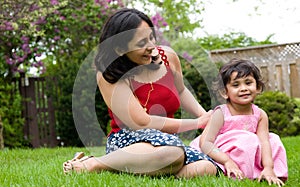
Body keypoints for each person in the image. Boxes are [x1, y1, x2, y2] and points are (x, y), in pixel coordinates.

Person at [63, 8, 220, 178]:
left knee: (207, 168)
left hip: (167, 140)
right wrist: (197, 123)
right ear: (119, 49)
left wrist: (206, 117)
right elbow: (142, 122)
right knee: (173, 153)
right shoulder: (108, 73)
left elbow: (181, 91)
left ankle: (152, 170)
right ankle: (95, 163)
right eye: (141, 43)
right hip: (130, 141)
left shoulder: (168, 56)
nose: (151, 47)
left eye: (151, 38)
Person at [189, 58, 288, 187]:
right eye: (236, 85)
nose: (243, 88)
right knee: (246, 139)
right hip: (220, 153)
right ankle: (234, 171)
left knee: (273, 139)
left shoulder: (260, 114)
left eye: (248, 83)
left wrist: (269, 166)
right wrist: (226, 161)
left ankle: (266, 172)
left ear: (257, 87)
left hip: (248, 149)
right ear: (225, 92)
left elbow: (264, 142)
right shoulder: (221, 114)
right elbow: (206, 143)